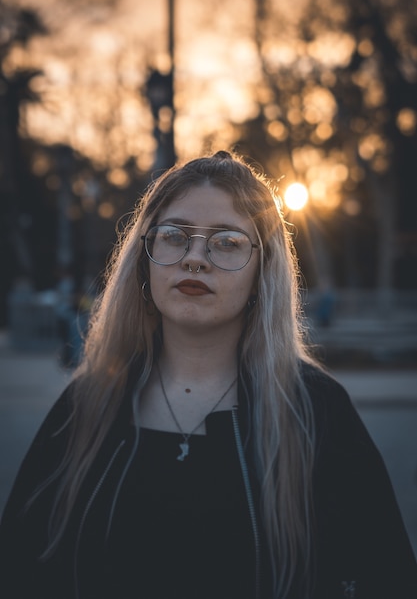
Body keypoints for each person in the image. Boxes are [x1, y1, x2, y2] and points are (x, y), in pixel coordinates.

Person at [0, 151, 416, 599]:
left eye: (227, 242)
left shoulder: (317, 411)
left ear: (262, 271)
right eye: (175, 236)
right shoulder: (86, 405)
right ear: (145, 258)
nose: (195, 258)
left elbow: (382, 576)